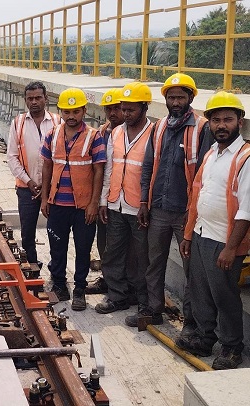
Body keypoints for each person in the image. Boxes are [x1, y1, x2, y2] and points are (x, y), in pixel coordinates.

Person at [128, 73, 213, 328]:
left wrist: (194, 211)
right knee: (154, 263)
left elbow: (206, 173)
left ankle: (191, 322)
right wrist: (144, 203)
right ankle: (154, 310)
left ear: (190, 98)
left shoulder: (202, 128)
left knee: (191, 270)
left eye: (180, 97)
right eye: (171, 97)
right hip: (159, 210)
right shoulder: (159, 126)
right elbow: (147, 167)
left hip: (187, 212)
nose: (175, 102)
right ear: (165, 99)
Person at [176, 92, 249, 370]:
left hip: (224, 241)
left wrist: (231, 248)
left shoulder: (245, 158)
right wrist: (187, 234)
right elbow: (197, 196)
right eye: (216, 120)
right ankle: (205, 337)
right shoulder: (211, 154)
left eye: (228, 119)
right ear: (209, 123)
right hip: (201, 234)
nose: (221, 125)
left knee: (225, 295)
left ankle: (232, 348)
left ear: (239, 122)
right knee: (200, 291)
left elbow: (246, 210)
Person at [40, 88, 106, 311]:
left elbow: (99, 171)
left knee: (82, 248)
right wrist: (45, 198)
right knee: (57, 246)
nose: (71, 116)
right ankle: (59, 284)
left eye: (76, 111)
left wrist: (94, 203)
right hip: (58, 203)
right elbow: (47, 166)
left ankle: (79, 288)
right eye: (67, 111)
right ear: (60, 111)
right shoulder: (52, 135)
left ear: (84, 111)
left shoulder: (94, 136)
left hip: (83, 206)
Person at [95, 83, 154, 314]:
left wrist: (146, 203)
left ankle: (142, 301)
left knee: (141, 258)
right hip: (115, 203)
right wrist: (103, 201)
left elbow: (153, 172)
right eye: (124, 109)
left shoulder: (154, 134)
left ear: (144, 107)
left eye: (131, 110)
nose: (126, 114)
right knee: (113, 253)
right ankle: (117, 296)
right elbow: (108, 169)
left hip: (139, 207)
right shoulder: (115, 133)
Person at [6, 81, 60, 268]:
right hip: (26, 189)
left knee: (55, 230)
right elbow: (12, 157)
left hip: (53, 189)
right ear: (25, 101)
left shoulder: (57, 122)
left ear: (46, 98)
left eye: (38, 98)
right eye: (30, 99)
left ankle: (56, 264)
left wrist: (48, 186)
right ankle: (31, 264)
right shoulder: (18, 123)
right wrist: (29, 181)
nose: (34, 102)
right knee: (27, 231)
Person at [86, 88, 124, 295]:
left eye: (116, 108)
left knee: (123, 247)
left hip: (125, 199)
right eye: (109, 109)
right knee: (104, 242)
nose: (113, 113)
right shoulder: (101, 132)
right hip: (104, 197)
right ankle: (108, 280)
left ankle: (123, 284)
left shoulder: (131, 133)